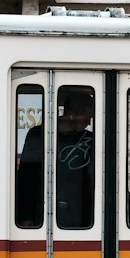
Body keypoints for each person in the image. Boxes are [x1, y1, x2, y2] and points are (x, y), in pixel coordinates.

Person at [15, 89, 94, 228]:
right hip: (41, 212)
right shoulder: (38, 135)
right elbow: (26, 177)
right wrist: (25, 215)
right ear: (72, 115)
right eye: (87, 116)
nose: (88, 122)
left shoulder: (89, 139)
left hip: (82, 215)